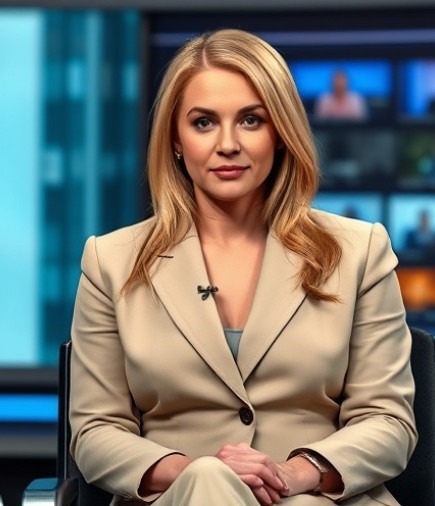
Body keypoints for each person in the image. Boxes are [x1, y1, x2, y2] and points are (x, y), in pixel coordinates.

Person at [69, 29, 415, 506]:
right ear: (175, 137)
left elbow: (388, 423)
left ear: (280, 133)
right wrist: (202, 475)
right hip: (179, 497)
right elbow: (95, 432)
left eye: (251, 120)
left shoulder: (359, 251)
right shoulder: (111, 261)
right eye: (204, 122)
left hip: (315, 498)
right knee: (210, 484)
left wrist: (293, 473)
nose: (228, 143)